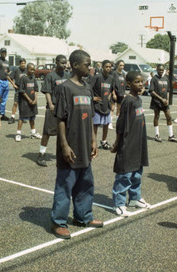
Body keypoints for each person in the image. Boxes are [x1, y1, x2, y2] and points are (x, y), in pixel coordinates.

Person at [50, 50, 103, 239]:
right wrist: (64, 144)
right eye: (87, 64)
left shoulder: (87, 88)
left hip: (85, 145)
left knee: (85, 183)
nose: (90, 67)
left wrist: (93, 140)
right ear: (74, 65)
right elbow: (61, 119)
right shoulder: (65, 88)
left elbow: (89, 117)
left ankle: (83, 216)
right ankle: (58, 222)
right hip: (70, 146)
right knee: (65, 185)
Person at [111, 71, 150, 217]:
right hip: (128, 143)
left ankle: (134, 198)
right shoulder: (128, 101)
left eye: (141, 81)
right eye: (137, 82)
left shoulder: (138, 99)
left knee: (137, 173)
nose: (140, 84)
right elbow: (121, 124)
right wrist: (117, 142)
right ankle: (119, 203)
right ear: (128, 84)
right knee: (125, 174)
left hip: (139, 143)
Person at [37, 55, 70, 167]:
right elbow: (47, 91)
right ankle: (41, 154)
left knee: (64, 132)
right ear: (56, 62)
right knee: (47, 132)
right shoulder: (50, 76)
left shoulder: (67, 75)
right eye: (62, 63)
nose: (64, 65)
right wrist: (50, 104)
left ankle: (63, 153)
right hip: (54, 107)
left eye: (65, 63)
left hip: (65, 107)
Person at [149, 64, 177, 143]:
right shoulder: (154, 79)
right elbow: (151, 91)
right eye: (159, 70)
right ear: (157, 70)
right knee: (157, 116)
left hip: (164, 102)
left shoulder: (166, 78)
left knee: (169, 117)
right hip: (157, 101)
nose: (161, 71)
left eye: (162, 70)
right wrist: (161, 99)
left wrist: (167, 100)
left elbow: (168, 90)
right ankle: (157, 134)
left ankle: (171, 135)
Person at [91, 59, 115, 150]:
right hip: (97, 105)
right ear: (102, 67)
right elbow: (89, 88)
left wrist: (111, 100)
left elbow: (112, 90)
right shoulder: (97, 77)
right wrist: (93, 97)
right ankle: (93, 143)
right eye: (106, 67)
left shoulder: (111, 78)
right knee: (96, 124)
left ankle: (104, 141)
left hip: (106, 105)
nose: (108, 68)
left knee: (106, 123)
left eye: (109, 67)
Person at [15, 63, 40, 142]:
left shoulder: (34, 78)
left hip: (33, 101)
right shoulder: (23, 78)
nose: (32, 71)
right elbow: (21, 90)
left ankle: (33, 132)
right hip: (24, 102)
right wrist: (29, 99)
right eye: (31, 69)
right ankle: (18, 133)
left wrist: (35, 99)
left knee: (32, 117)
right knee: (22, 117)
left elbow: (36, 89)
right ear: (27, 69)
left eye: (33, 69)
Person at [0, 47, 14, 121]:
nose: (4, 53)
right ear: (0, 53)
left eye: (5, 52)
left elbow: (7, 72)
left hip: (5, 81)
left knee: (4, 99)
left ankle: (2, 114)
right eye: (2, 52)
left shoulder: (7, 62)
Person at [8, 58, 27, 124]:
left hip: (25, 89)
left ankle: (22, 117)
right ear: (19, 64)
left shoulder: (27, 70)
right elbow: (9, 77)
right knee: (16, 103)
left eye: (24, 63)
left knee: (23, 104)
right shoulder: (16, 70)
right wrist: (13, 84)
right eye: (22, 63)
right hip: (18, 89)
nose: (23, 64)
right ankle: (12, 117)